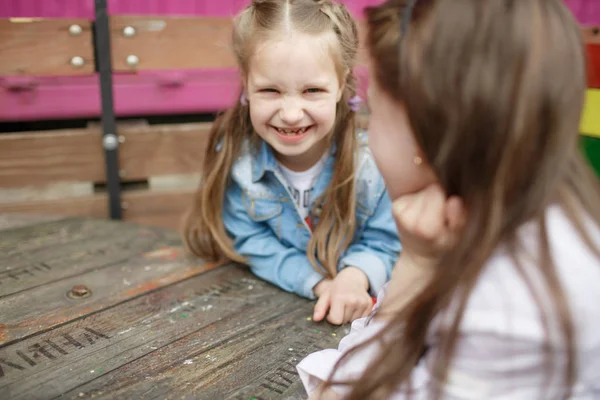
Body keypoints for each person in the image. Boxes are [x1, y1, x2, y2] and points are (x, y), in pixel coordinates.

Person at [297, 0, 600, 397]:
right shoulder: (531, 217)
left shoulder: (506, 308)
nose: (368, 136)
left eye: (374, 114)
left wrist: (414, 267)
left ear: (424, 132)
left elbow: (345, 391)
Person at [183, 0, 400, 325]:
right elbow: (251, 240)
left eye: (312, 90)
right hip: (266, 318)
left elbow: (386, 240)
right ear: (246, 82)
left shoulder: (372, 166)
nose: (291, 113)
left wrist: (354, 277)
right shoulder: (240, 165)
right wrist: (318, 282)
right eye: (270, 90)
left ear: (341, 84)